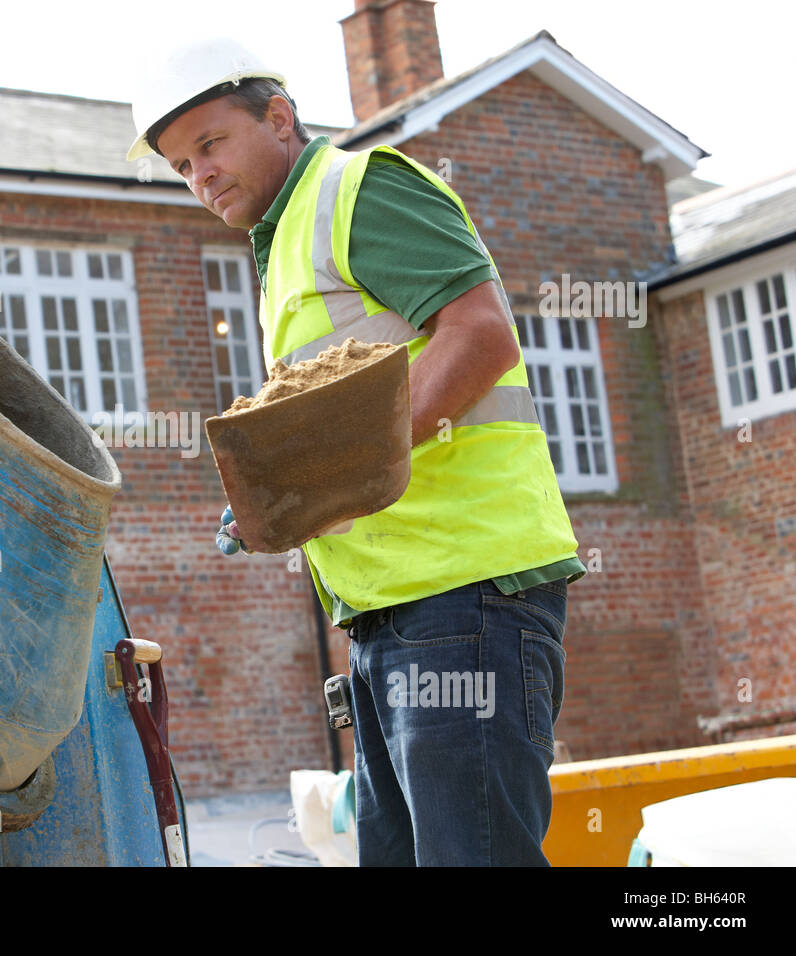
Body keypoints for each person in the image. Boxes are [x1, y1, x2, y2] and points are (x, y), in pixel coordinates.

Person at [127, 40, 584, 866]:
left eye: (211, 144)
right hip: (393, 615)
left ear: (278, 116)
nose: (199, 175)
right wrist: (285, 491)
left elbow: (481, 335)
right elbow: (353, 410)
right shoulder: (284, 244)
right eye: (179, 165)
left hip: (465, 590)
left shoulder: (359, 190)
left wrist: (326, 472)